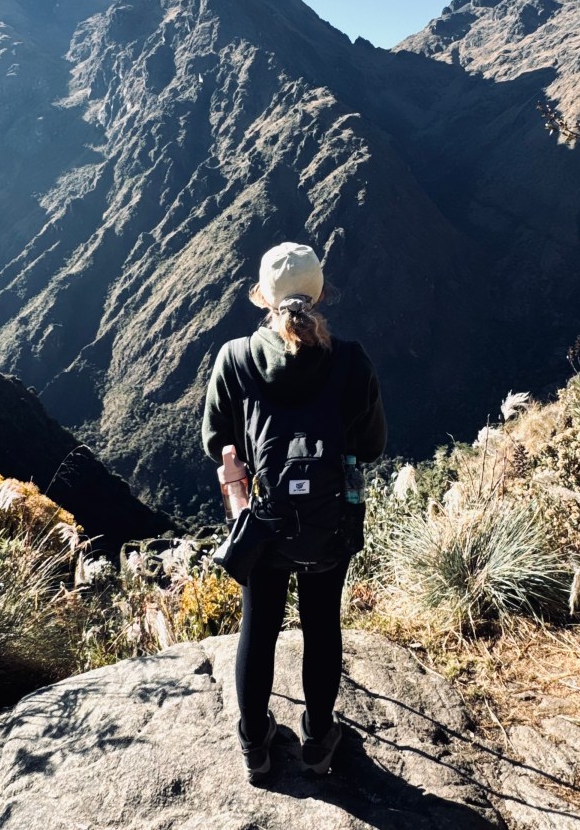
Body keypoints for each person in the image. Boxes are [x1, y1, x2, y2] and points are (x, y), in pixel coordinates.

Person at [202, 242, 387, 781]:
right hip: (330, 524)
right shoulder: (350, 360)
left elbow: (216, 441)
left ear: (262, 297)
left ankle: (254, 742)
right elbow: (372, 446)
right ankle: (317, 738)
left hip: (262, 525)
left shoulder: (236, 359)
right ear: (321, 292)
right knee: (321, 625)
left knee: (257, 628)